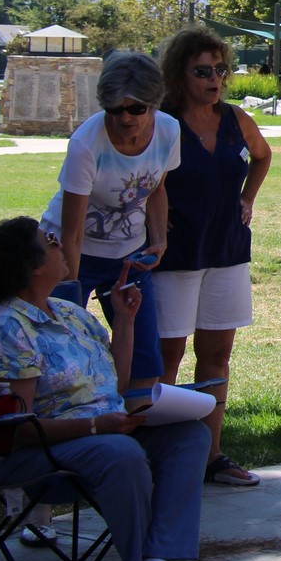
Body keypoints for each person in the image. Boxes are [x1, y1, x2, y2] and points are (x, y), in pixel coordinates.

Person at [0, 217, 209, 561]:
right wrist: (97, 427)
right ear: (31, 266)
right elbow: (15, 430)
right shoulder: (7, 331)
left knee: (190, 435)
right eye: (48, 240)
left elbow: (114, 387)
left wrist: (125, 323)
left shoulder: (70, 313)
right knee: (121, 453)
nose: (59, 243)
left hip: (102, 431)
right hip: (36, 452)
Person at [157, 27, 273, 488]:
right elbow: (144, 174)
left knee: (217, 353)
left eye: (220, 70)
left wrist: (249, 198)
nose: (214, 79)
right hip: (175, 253)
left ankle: (211, 455)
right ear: (179, 75)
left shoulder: (236, 120)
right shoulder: (162, 120)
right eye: (202, 71)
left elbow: (263, 157)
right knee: (168, 356)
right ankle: (163, 458)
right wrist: (153, 218)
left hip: (227, 250)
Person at [39, 51, 179, 403]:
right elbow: (70, 232)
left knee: (145, 363)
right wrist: (70, 292)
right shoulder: (87, 144)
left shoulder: (168, 130)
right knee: (63, 360)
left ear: (154, 103)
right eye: (115, 109)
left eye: (136, 109)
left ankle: (137, 436)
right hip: (73, 256)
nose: (125, 118)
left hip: (129, 256)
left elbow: (157, 189)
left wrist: (158, 240)